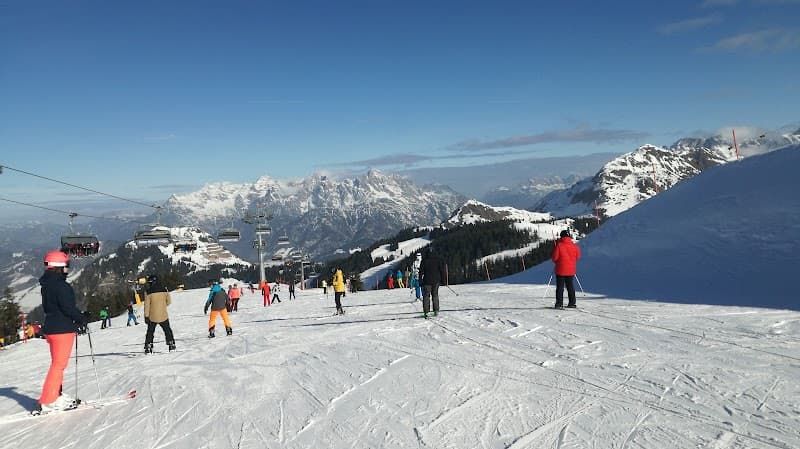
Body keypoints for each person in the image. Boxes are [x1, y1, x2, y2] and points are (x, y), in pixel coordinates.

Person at [36, 250, 87, 414]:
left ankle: (56, 394)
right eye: (66, 265)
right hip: (62, 330)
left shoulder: (47, 285)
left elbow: (51, 307)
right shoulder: (61, 286)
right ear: (59, 267)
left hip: (51, 328)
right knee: (58, 366)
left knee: (57, 365)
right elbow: (68, 308)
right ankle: (49, 400)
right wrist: (81, 318)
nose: (68, 269)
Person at [143, 274, 176, 353]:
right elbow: (169, 302)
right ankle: (171, 343)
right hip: (163, 314)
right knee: (167, 330)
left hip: (152, 316)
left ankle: (148, 345)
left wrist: (146, 316)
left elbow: (146, 306)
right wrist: (162, 306)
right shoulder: (164, 289)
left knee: (150, 332)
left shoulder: (148, 292)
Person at [552, 229, 581, 309]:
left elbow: (554, 258)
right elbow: (578, 257)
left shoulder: (559, 245)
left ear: (562, 236)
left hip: (560, 269)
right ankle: (572, 303)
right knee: (570, 287)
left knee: (560, 287)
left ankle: (559, 304)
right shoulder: (574, 246)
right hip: (571, 270)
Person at [419, 248, 446, 318]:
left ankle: (426, 312)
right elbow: (442, 271)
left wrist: (420, 281)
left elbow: (420, 272)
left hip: (427, 281)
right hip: (436, 281)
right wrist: (443, 280)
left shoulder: (424, 260)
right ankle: (436, 311)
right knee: (435, 295)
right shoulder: (438, 260)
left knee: (426, 296)